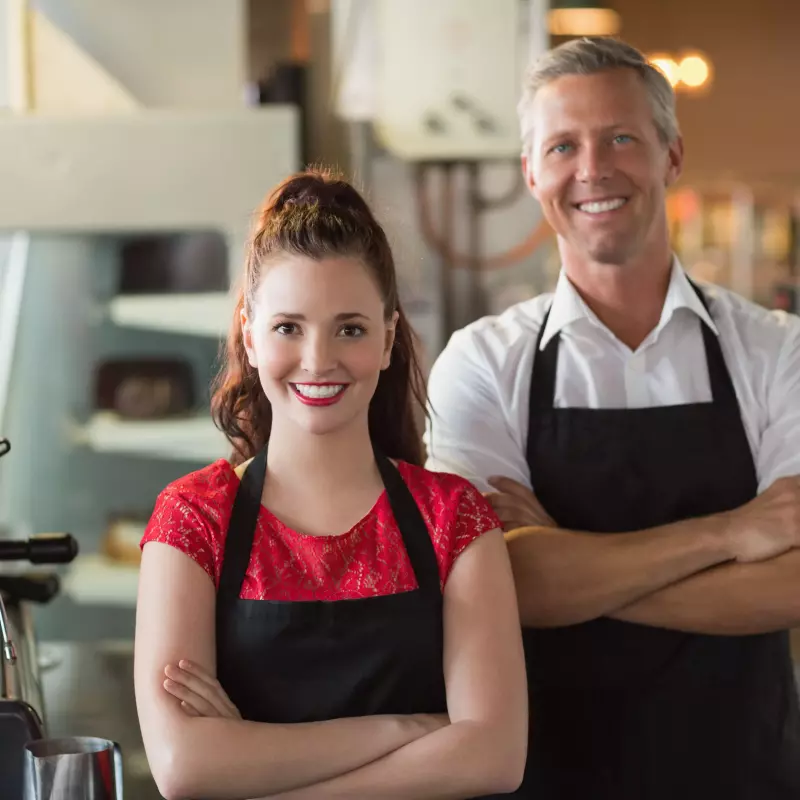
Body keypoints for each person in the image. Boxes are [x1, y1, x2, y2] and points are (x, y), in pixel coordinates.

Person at [424, 36, 800, 800]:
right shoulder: (482, 363)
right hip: (548, 777)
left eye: (621, 137)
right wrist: (729, 536)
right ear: (532, 173)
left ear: (671, 156)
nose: (592, 169)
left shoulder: (775, 351)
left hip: (744, 773)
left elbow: (790, 587)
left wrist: (560, 556)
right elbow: (486, 587)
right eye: (564, 145)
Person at [133, 169, 527, 800]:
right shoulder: (192, 519)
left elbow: (494, 757)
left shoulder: (453, 518)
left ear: (389, 337)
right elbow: (186, 767)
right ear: (250, 335)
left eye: (350, 328)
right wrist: (408, 728)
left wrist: (257, 769)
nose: (318, 360)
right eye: (289, 327)